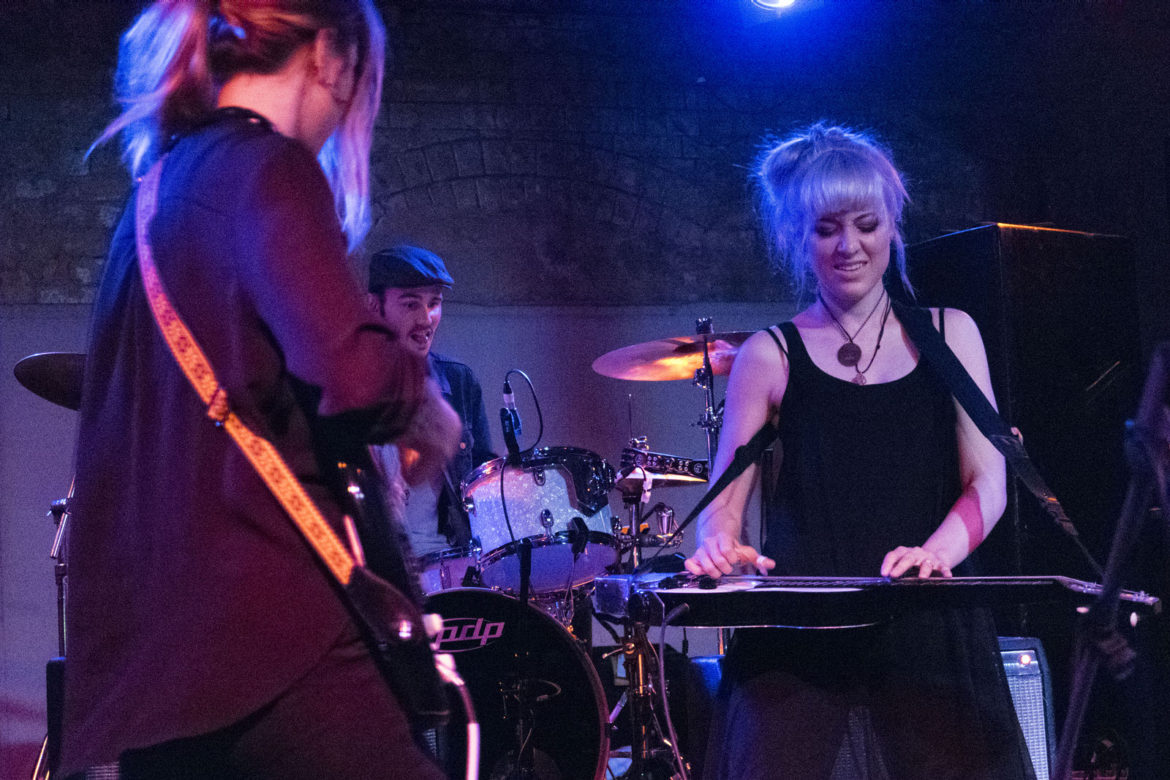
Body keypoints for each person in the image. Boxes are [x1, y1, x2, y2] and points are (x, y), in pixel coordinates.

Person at [60, 1, 459, 778]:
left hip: (158, 675)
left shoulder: (153, 195)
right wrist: (427, 406)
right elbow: (350, 373)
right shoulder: (267, 168)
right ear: (330, 58)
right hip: (273, 643)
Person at [685, 123, 1036, 779]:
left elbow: (989, 482)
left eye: (866, 224)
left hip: (927, 625)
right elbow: (723, 497)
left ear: (892, 224)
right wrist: (719, 542)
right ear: (798, 238)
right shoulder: (769, 353)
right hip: (802, 630)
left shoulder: (949, 334)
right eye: (826, 229)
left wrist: (937, 555)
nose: (849, 245)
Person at [365, 245, 495, 558]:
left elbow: (484, 484)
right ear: (373, 306)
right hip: (377, 568)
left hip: (453, 564)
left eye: (434, 303)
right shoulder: (345, 389)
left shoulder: (460, 382)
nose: (426, 319)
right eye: (411, 304)